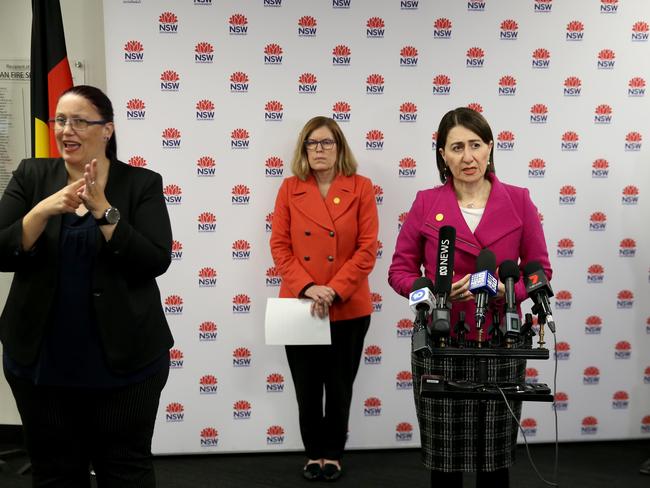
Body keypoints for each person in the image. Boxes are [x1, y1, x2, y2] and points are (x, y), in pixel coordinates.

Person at [0, 85, 173, 487]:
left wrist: (103, 210)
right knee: (55, 471)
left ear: (107, 130)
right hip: (41, 362)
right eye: (61, 120)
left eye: (79, 121)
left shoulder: (141, 183)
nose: (66, 130)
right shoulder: (32, 174)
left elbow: (154, 260)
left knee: (124, 470)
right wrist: (43, 210)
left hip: (126, 364)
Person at [388, 107, 552, 488]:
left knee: (494, 462)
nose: (468, 157)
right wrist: (431, 292)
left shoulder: (519, 200)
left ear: (490, 148)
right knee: (445, 462)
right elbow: (399, 272)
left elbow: (539, 271)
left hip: (501, 341)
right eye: (457, 147)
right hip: (441, 339)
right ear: (442, 154)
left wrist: (507, 291)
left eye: (475, 145)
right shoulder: (427, 203)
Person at [270, 116, 378, 481]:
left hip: (347, 304)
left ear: (339, 147)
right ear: (304, 150)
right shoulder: (289, 189)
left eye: (326, 143)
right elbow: (280, 246)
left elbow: (367, 249)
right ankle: (313, 453)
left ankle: (333, 454)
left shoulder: (361, 188)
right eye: (312, 144)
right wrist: (307, 287)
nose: (319, 150)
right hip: (300, 305)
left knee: (339, 386)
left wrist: (333, 289)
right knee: (307, 387)